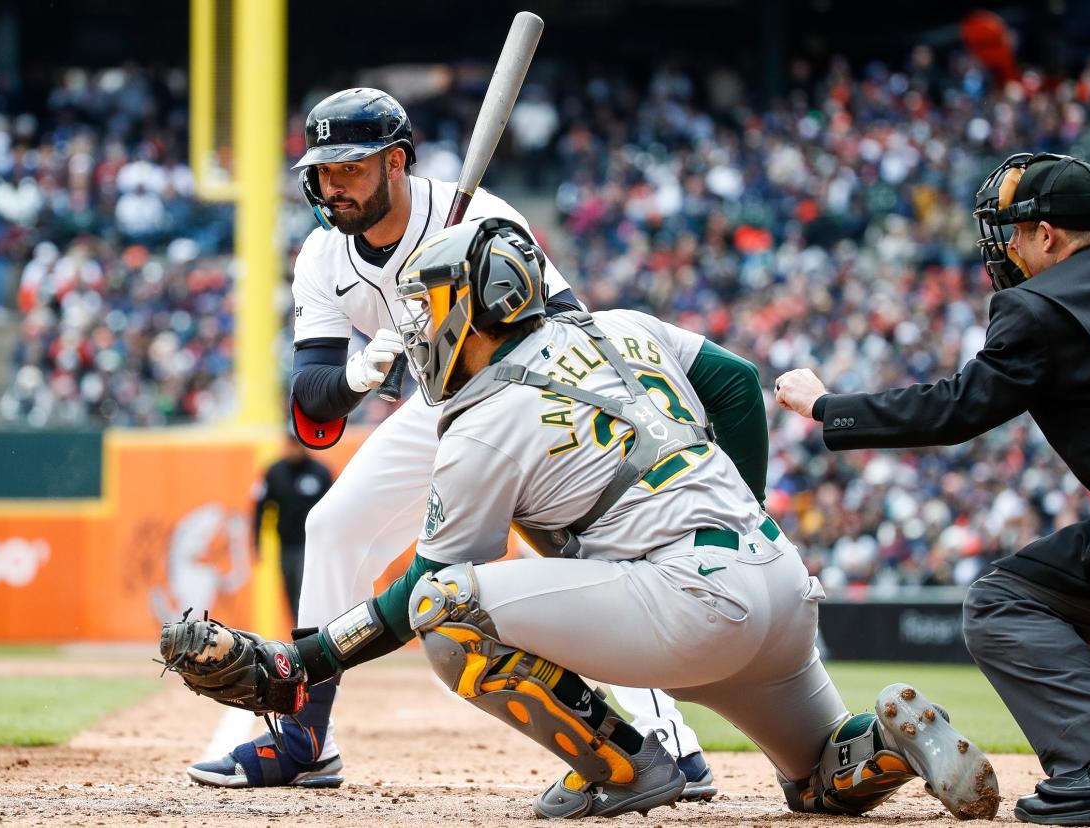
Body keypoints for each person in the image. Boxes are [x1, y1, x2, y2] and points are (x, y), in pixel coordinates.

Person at [162, 216, 999, 820]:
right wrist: (739, 502)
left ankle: (623, 767)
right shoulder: (625, 327)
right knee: (820, 781)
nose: (423, 319)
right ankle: (885, 742)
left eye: (434, 300)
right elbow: (741, 384)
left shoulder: (484, 418)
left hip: (685, 607)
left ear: (474, 308)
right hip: (775, 582)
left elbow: (430, 583)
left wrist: (303, 661)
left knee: (445, 609)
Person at [188, 88, 716, 800]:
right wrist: (356, 374)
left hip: (528, 402)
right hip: (436, 408)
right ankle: (305, 739)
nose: (330, 185)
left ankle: (671, 743)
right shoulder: (321, 255)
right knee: (333, 525)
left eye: (349, 169)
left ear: (396, 163)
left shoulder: (485, 217)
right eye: (321, 170)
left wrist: (455, 312)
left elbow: (566, 329)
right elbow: (312, 407)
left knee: (569, 557)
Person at [775, 151, 1090, 827]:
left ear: (1047, 235)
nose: (1006, 248)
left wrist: (825, 406)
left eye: (1013, 232)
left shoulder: (1039, 305)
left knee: (1003, 602)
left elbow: (957, 409)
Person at [252, 434, 334, 619]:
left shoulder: (320, 472)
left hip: (313, 544)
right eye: (290, 443)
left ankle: (311, 632)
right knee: (290, 589)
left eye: (297, 443)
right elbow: (260, 508)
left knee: (304, 587)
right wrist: (257, 542)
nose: (293, 447)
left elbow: (334, 509)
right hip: (287, 543)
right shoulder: (274, 472)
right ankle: (300, 631)